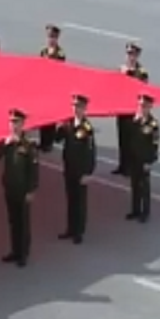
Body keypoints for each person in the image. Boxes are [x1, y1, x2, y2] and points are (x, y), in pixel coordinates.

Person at [0, 109, 38, 267]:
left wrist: (31, 190)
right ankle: (14, 250)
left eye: (16, 122)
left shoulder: (28, 145)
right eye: (11, 122)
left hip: (23, 190)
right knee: (13, 221)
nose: (13, 125)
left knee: (23, 222)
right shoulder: (7, 142)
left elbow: (33, 170)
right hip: (10, 187)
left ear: (22, 124)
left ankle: (23, 254)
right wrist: (4, 144)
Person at [55, 93, 95, 244]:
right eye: (74, 106)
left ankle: (79, 231)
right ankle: (70, 229)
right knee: (71, 200)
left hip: (80, 170)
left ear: (84, 108)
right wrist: (59, 127)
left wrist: (88, 172)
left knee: (80, 202)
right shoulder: (68, 124)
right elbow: (57, 139)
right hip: (69, 168)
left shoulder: (86, 128)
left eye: (79, 106)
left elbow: (90, 152)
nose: (75, 109)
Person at [114, 43, 149, 175]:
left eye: (133, 54)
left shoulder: (141, 73)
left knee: (132, 141)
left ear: (137, 55)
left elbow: (143, 91)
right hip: (122, 108)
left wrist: (141, 111)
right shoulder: (121, 69)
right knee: (122, 138)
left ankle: (130, 168)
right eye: (128, 54)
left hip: (134, 110)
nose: (130, 57)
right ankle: (122, 165)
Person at [127, 93, 160, 222]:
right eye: (140, 105)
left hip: (144, 159)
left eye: (145, 105)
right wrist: (135, 120)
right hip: (134, 158)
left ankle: (145, 212)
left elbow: (154, 144)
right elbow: (130, 137)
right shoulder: (136, 120)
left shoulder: (153, 124)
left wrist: (150, 161)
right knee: (134, 185)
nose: (142, 108)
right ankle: (135, 210)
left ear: (150, 106)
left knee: (144, 187)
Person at [38, 25, 67, 151]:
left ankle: (49, 142)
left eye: (53, 37)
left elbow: (59, 71)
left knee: (50, 117)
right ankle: (43, 141)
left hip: (53, 88)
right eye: (49, 37)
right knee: (42, 115)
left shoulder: (59, 54)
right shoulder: (43, 52)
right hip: (43, 87)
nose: (51, 40)